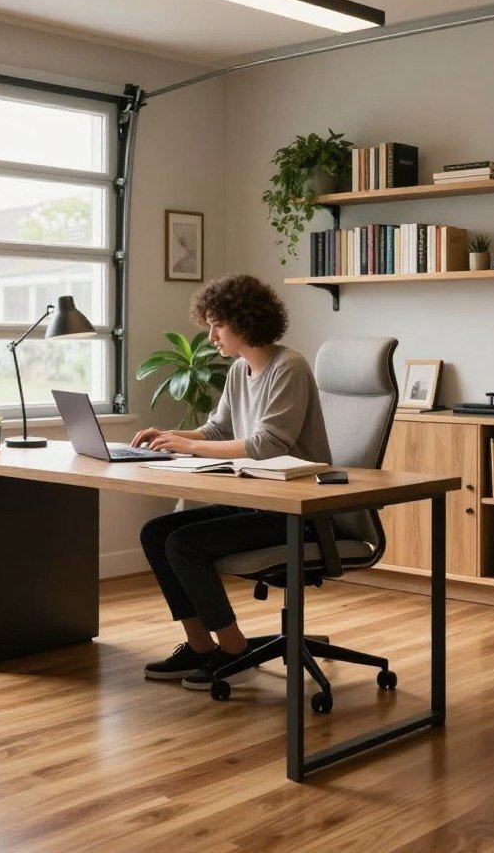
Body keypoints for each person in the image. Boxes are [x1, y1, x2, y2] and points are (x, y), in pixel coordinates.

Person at [132, 273, 331, 690]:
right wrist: (168, 437)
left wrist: (188, 449)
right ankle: (201, 646)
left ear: (245, 321)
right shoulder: (241, 370)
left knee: (183, 544)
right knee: (156, 533)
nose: (210, 335)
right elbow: (218, 429)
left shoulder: (289, 366)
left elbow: (266, 444)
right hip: (258, 501)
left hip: (298, 510)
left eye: (217, 324)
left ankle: (235, 650)